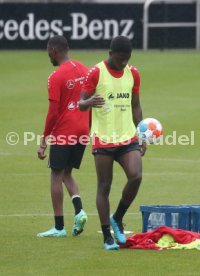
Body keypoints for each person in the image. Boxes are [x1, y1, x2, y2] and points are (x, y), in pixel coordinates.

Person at [79, 36, 146, 250]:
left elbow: (135, 105)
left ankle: (117, 217)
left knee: (136, 176)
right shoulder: (96, 72)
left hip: (127, 136)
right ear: (110, 54)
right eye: (120, 59)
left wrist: (142, 133)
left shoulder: (133, 73)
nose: (124, 63)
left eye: (127, 59)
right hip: (104, 138)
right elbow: (81, 104)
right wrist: (89, 102)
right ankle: (107, 236)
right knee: (104, 186)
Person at [37, 35, 89, 237]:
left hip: (64, 131)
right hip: (83, 129)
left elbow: (53, 113)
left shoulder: (56, 76)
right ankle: (80, 210)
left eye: (48, 51)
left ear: (54, 51)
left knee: (56, 176)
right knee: (67, 173)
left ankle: (59, 227)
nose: (48, 54)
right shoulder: (84, 69)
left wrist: (43, 141)